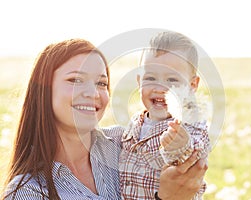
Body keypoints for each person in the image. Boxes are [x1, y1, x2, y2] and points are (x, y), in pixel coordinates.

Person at [1, 38, 207, 200]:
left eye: (101, 83)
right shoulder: (27, 192)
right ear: (43, 90)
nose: (92, 93)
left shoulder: (126, 142)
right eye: (75, 80)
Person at [119, 31, 210, 200]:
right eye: (151, 77)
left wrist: (181, 145)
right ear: (139, 81)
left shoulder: (190, 125)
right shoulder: (135, 122)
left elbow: (196, 151)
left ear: (192, 85)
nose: (160, 87)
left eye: (172, 80)